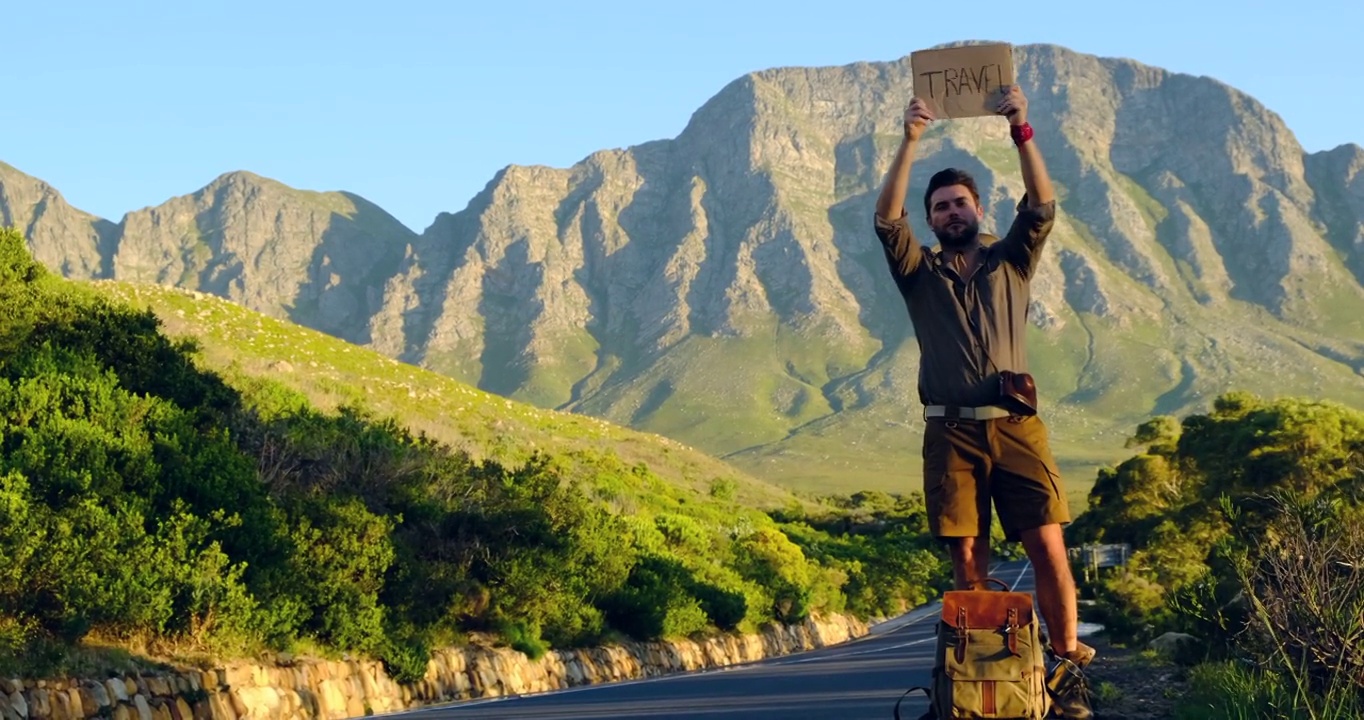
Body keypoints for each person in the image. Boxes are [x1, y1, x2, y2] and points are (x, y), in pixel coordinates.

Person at [871, 85, 1094, 719]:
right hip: (950, 434)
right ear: (932, 219)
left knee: (1046, 544)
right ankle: (984, 678)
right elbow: (887, 221)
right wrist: (910, 139)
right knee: (968, 556)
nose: (949, 213)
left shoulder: (1010, 261)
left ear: (978, 207)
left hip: (1017, 428)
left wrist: (1021, 127)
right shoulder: (918, 272)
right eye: (938, 208)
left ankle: (1066, 667)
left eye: (958, 203)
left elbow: (1043, 206)